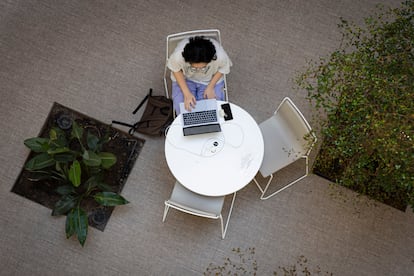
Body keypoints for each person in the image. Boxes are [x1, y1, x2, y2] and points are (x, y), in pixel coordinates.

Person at [167, 36, 232, 114]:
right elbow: (176, 70)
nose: (199, 70)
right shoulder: (178, 56)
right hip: (186, 79)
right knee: (182, 110)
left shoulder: (220, 56)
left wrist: (210, 87)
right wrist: (187, 94)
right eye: (195, 67)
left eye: (203, 67)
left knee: (214, 110)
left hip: (210, 79)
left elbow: (223, 69)